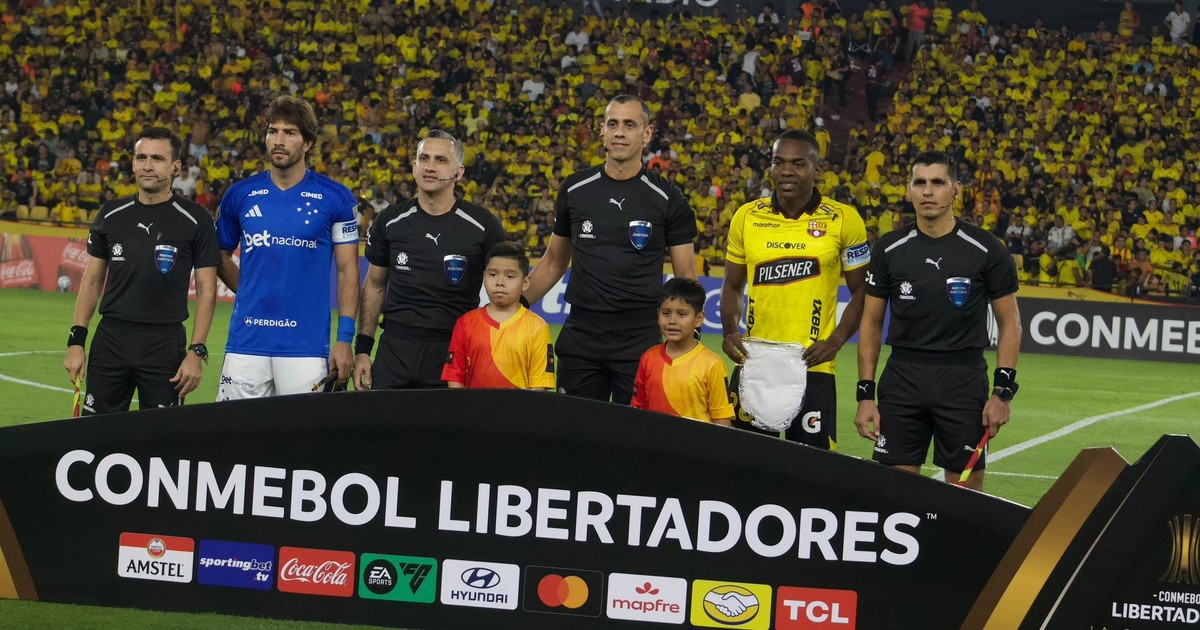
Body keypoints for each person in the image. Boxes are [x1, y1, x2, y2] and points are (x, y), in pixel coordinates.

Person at [854, 151, 1021, 491]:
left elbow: (1010, 324)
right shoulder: (888, 249)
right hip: (902, 379)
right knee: (895, 496)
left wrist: (1002, 394)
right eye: (920, 183)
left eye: (938, 183)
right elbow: (870, 323)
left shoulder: (986, 248)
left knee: (964, 496)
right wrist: (865, 394)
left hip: (963, 382)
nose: (928, 191)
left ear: (955, 189)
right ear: (908, 190)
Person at [524, 94, 698, 404]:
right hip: (582, 334)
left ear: (647, 133)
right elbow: (553, 262)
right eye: (613, 124)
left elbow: (685, 276)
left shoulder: (668, 197)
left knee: (633, 431)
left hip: (639, 338)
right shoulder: (575, 188)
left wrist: (690, 337)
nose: (619, 132)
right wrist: (516, 306)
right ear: (602, 131)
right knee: (574, 429)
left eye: (630, 125)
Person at [720, 129, 870, 450]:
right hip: (754, 363)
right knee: (745, 464)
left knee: (812, 469)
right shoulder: (746, 217)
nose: (786, 171)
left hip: (812, 366)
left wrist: (836, 341)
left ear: (817, 170)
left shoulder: (845, 220)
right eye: (779, 162)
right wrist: (730, 330)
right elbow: (732, 285)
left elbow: (862, 291)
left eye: (798, 164)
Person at [64, 127, 219, 414]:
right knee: (96, 432)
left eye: (157, 159)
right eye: (141, 157)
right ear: (133, 163)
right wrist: (76, 341)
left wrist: (196, 351)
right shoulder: (111, 213)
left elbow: (207, 291)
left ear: (175, 167)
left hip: (165, 344)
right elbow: (92, 282)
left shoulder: (196, 219)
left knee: (160, 436)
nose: (148, 166)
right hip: (111, 340)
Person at [214, 96, 360, 399]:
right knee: (234, 428)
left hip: (306, 347)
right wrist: (249, 291)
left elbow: (348, 271)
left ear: (308, 143)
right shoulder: (239, 194)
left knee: (302, 430)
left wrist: (345, 338)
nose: (278, 140)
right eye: (273, 131)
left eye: (289, 132)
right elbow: (219, 253)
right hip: (246, 343)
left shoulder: (336, 198)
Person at [355, 129, 504, 390]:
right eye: (424, 158)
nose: (430, 166)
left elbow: (503, 289)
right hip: (395, 350)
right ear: (414, 166)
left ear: (459, 172)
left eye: (440, 160)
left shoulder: (483, 226)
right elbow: (375, 285)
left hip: (453, 351)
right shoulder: (390, 221)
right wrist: (363, 350)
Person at [441, 241, 555, 390]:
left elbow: (539, 386)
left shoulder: (537, 327)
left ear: (525, 283)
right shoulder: (465, 323)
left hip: (519, 406)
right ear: (484, 278)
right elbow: (455, 379)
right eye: (493, 274)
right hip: (474, 405)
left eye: (510, 276)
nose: (500, 282)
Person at [632, 278, 734, 426]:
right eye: (666, 313)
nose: (672, 320)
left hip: (695, 441)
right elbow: (637, 408)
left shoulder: (712, 364)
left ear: (698, 319)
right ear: (658, 314)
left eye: (681, 314)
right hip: (652, 439)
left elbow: (722, 420)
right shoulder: (648, 357)